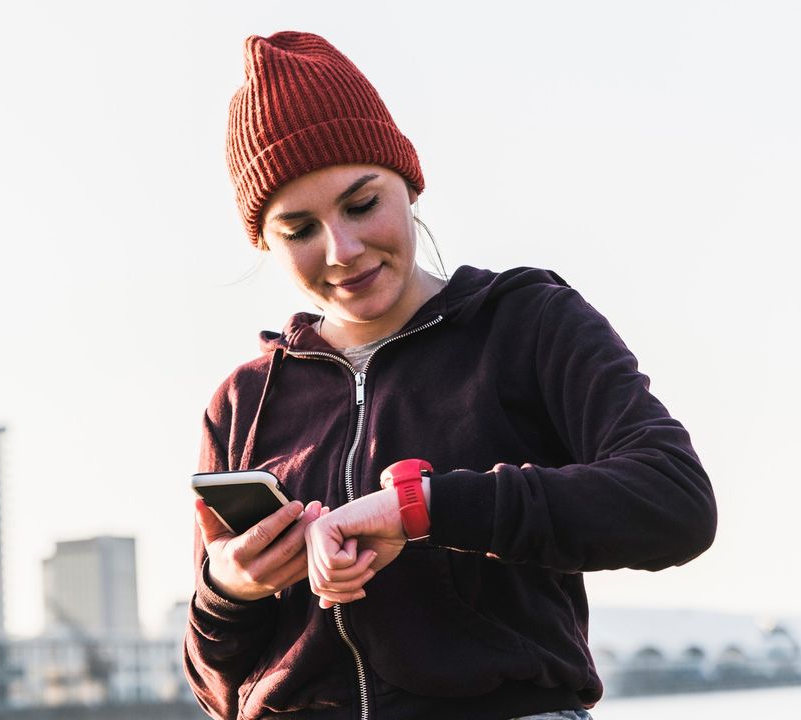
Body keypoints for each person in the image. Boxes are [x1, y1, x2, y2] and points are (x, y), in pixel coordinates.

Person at [184, 31, 716, 720]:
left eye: (361, 203)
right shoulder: (243, 401)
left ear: (407, 182)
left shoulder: (527, 323)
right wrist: (229, 589)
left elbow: (674, 503)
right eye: (299, 228)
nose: (341, 250)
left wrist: (426, 510)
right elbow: (215, 689)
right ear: (264, 240)